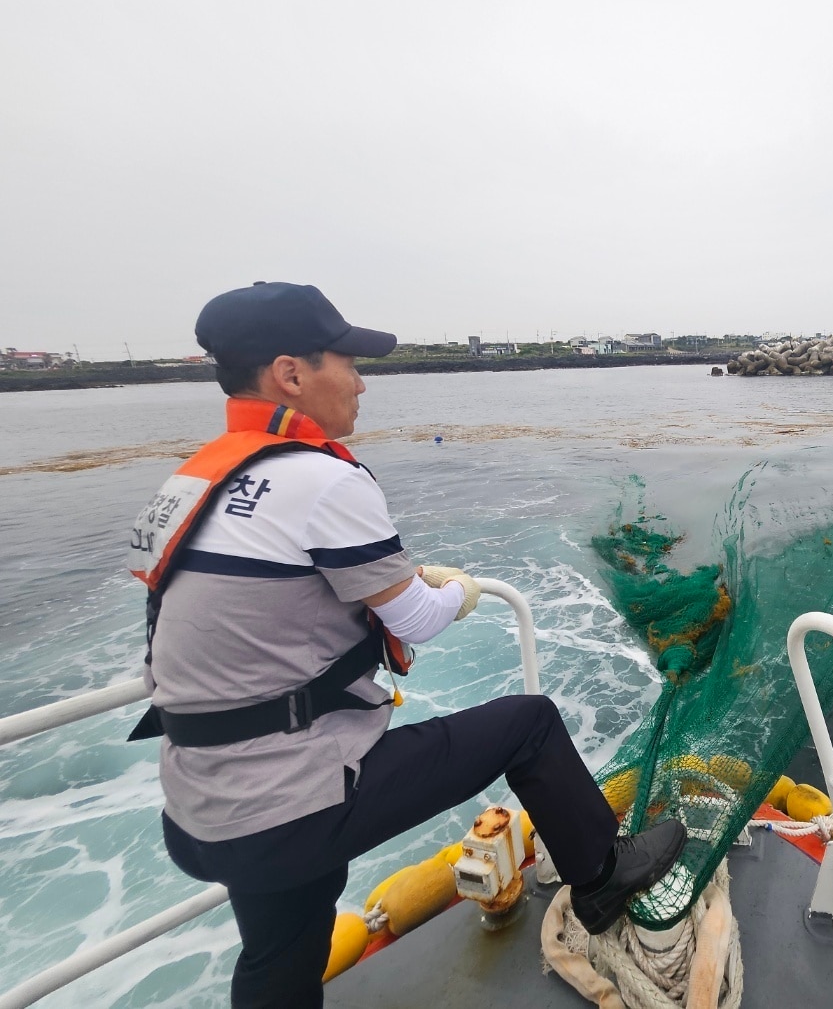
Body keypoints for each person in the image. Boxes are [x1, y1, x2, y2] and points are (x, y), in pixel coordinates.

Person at [126, 281, 685, 1009]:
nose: (361, 383)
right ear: (291, 374)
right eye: (349, 362)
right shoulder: (320, 480)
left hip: (202, 812)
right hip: (292, 805)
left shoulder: (189, 484)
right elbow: (418, 619)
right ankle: (602, 880)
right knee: (531, 723)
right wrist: (461, 590)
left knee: (281, 950)